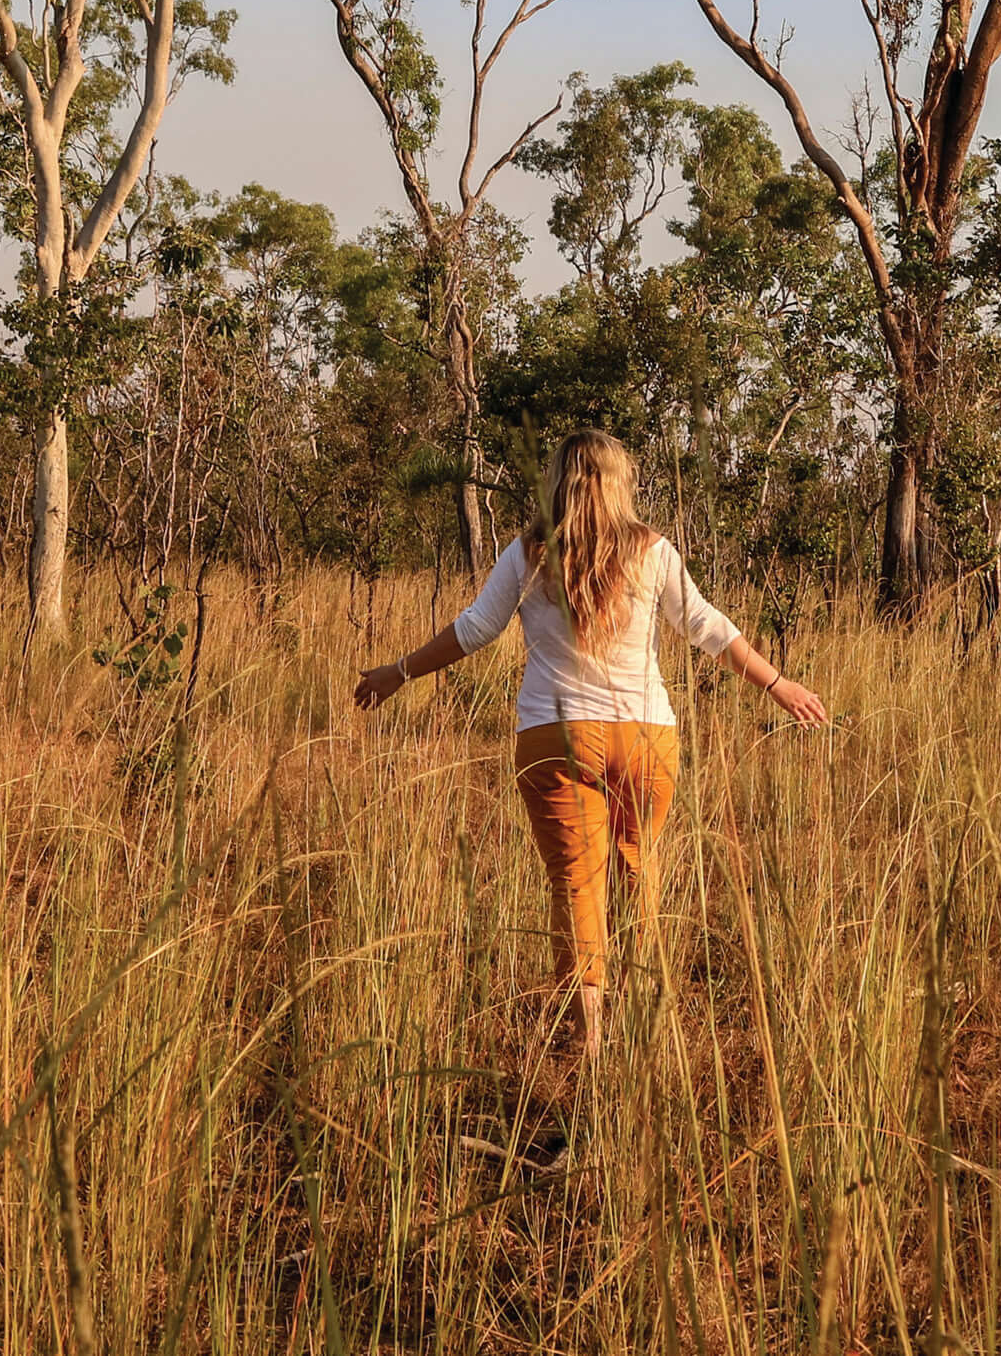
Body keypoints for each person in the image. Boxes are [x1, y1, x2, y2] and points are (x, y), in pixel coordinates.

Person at [354, 429, 826, 1054]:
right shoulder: (653, 551)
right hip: (647, 738)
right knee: (638, 871)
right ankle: (647, 1019)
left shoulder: (527, 553)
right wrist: (777, 683)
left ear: (556, 482)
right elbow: (707, 627)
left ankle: (592, 1036)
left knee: (578, 884)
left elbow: (474, 631)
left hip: (555, 735)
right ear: (620, 483)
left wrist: (397, 672)